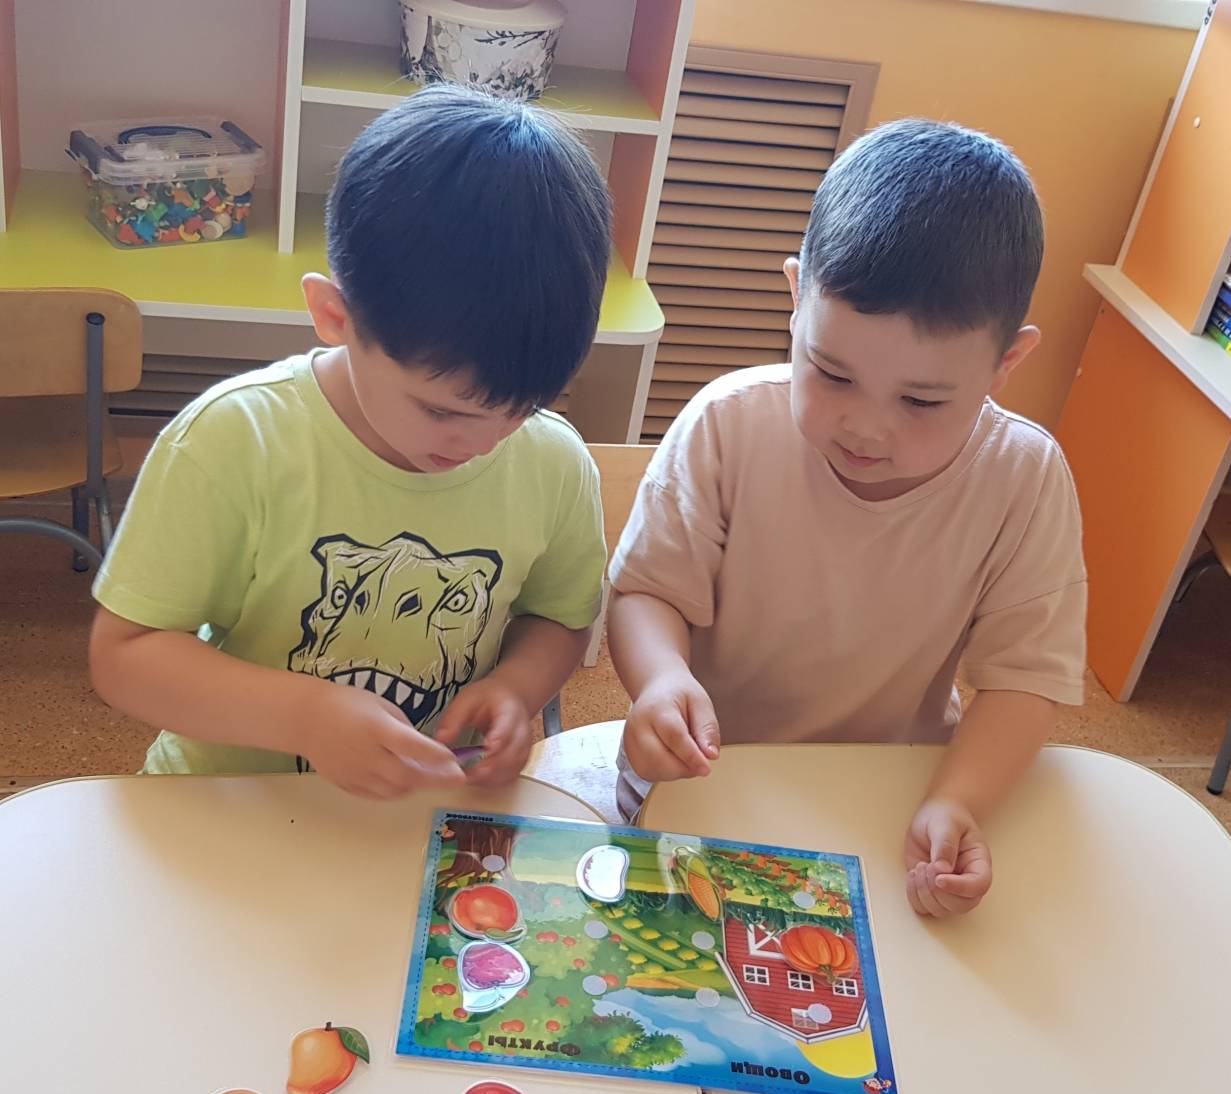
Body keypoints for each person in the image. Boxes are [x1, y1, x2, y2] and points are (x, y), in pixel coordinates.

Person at [607, 119, 1086, 917]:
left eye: (921, 401)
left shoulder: (1024, 476)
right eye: (832, 374)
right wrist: (662, 679)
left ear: (1007, 362)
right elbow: (646, 591)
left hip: (885, 799)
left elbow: (1024, 679)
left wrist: (959, 800)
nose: (866, 428)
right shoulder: (728, 424)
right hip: (709, 777)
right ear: (796, 300)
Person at [88, 84, 612, 800]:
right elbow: (124, 655)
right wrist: (304, 716)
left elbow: (558, 616)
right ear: (333, 316)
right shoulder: (233, 440)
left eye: (521, 410)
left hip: (419, 812)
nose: (483, 443)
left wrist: (517, 688)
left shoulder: (553, 463)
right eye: (441, 410)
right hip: (227, 804)